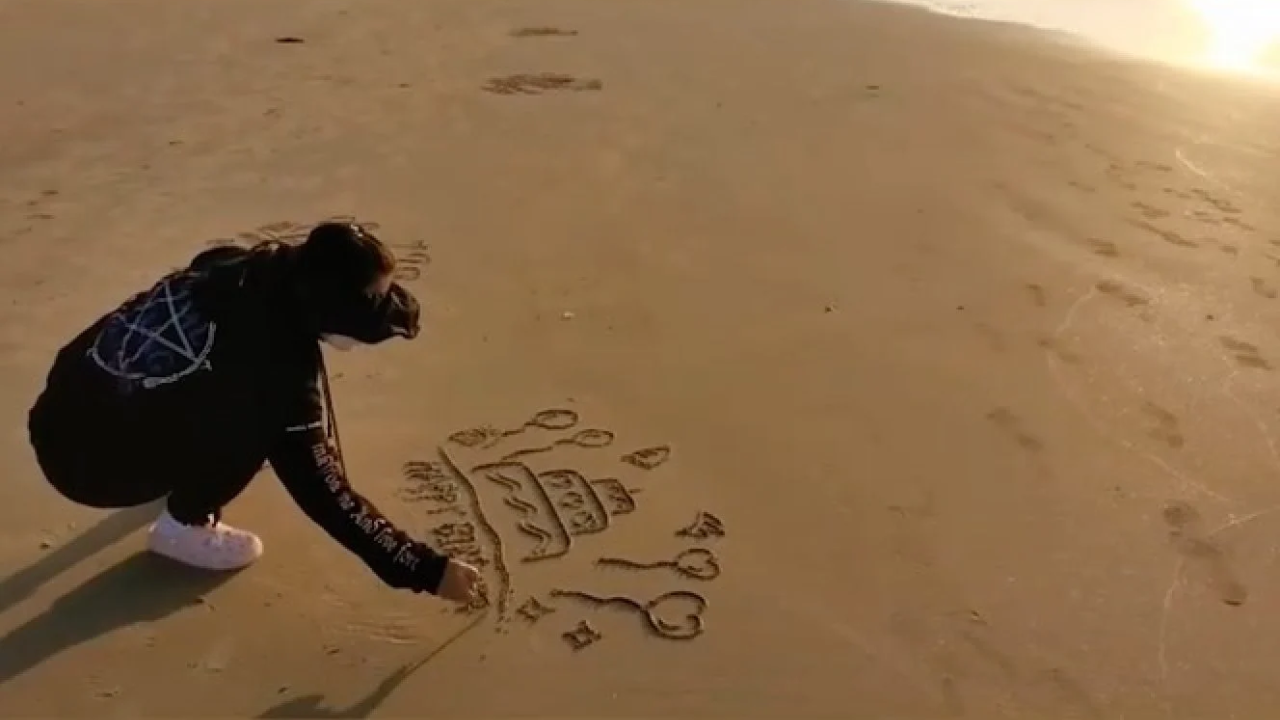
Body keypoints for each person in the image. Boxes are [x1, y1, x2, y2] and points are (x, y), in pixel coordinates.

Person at [26, 222, 484, 604]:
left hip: (58, 412)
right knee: (259, 429)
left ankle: (155, 446)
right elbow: (326, 494)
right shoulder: (275, 375)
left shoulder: (235, 265)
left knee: (231, 395)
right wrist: (425, 568)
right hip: (88, 471)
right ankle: (183, 527)